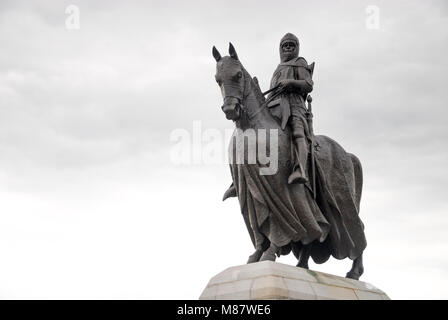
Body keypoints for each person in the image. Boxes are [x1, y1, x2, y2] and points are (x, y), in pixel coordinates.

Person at [268, 33, 314, 185]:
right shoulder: (277, 69)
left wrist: (291, 82)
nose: (287, 47)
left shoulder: (300, 62)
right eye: (284, 45)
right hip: (274, 106)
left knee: (297, 131)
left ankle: (300, 169)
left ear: (297, 48)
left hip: (294, 104)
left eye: (291, 45)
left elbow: (308, 84)